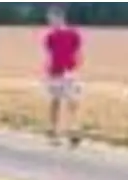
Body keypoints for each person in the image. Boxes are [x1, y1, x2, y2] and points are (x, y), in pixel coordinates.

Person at [43, 6, 83, 146]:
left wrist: (74, 67)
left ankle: (73, 129)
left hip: (67, 72)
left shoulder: (72, 34)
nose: (50, 22)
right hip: (56, 72)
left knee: (71, 101)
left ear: (59, 18)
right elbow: (50, 53)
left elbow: (76, 51)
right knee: (56, 102)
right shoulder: (50, 36)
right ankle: (55, 131)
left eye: (51, 19)